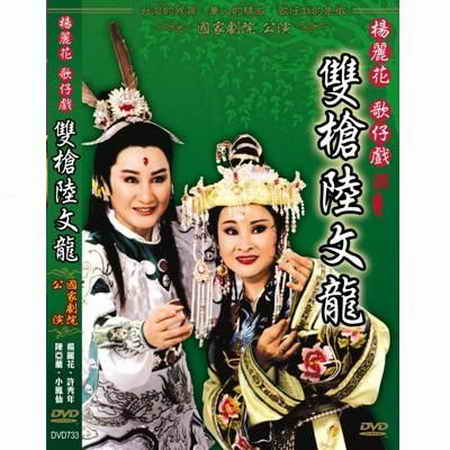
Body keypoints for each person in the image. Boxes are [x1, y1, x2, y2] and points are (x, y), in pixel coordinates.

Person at [181, 134, 390, 450]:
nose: (244, 244)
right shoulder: (220, 314)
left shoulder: (309, 287)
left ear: (279, 233)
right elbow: (218, 408)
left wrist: (323, 294)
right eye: (231, 231)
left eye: (258, 228)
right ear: (216, 239)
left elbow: (365, 352)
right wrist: (259, 361)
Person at [81, 24, 211, 450]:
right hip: (115, 429)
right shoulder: (89, 253)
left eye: (158, 178)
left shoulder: (185, 234)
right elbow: (94, 330)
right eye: (131, 179)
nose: (147, 195)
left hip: (179, 422)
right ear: (104, 184)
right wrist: (143, 336)